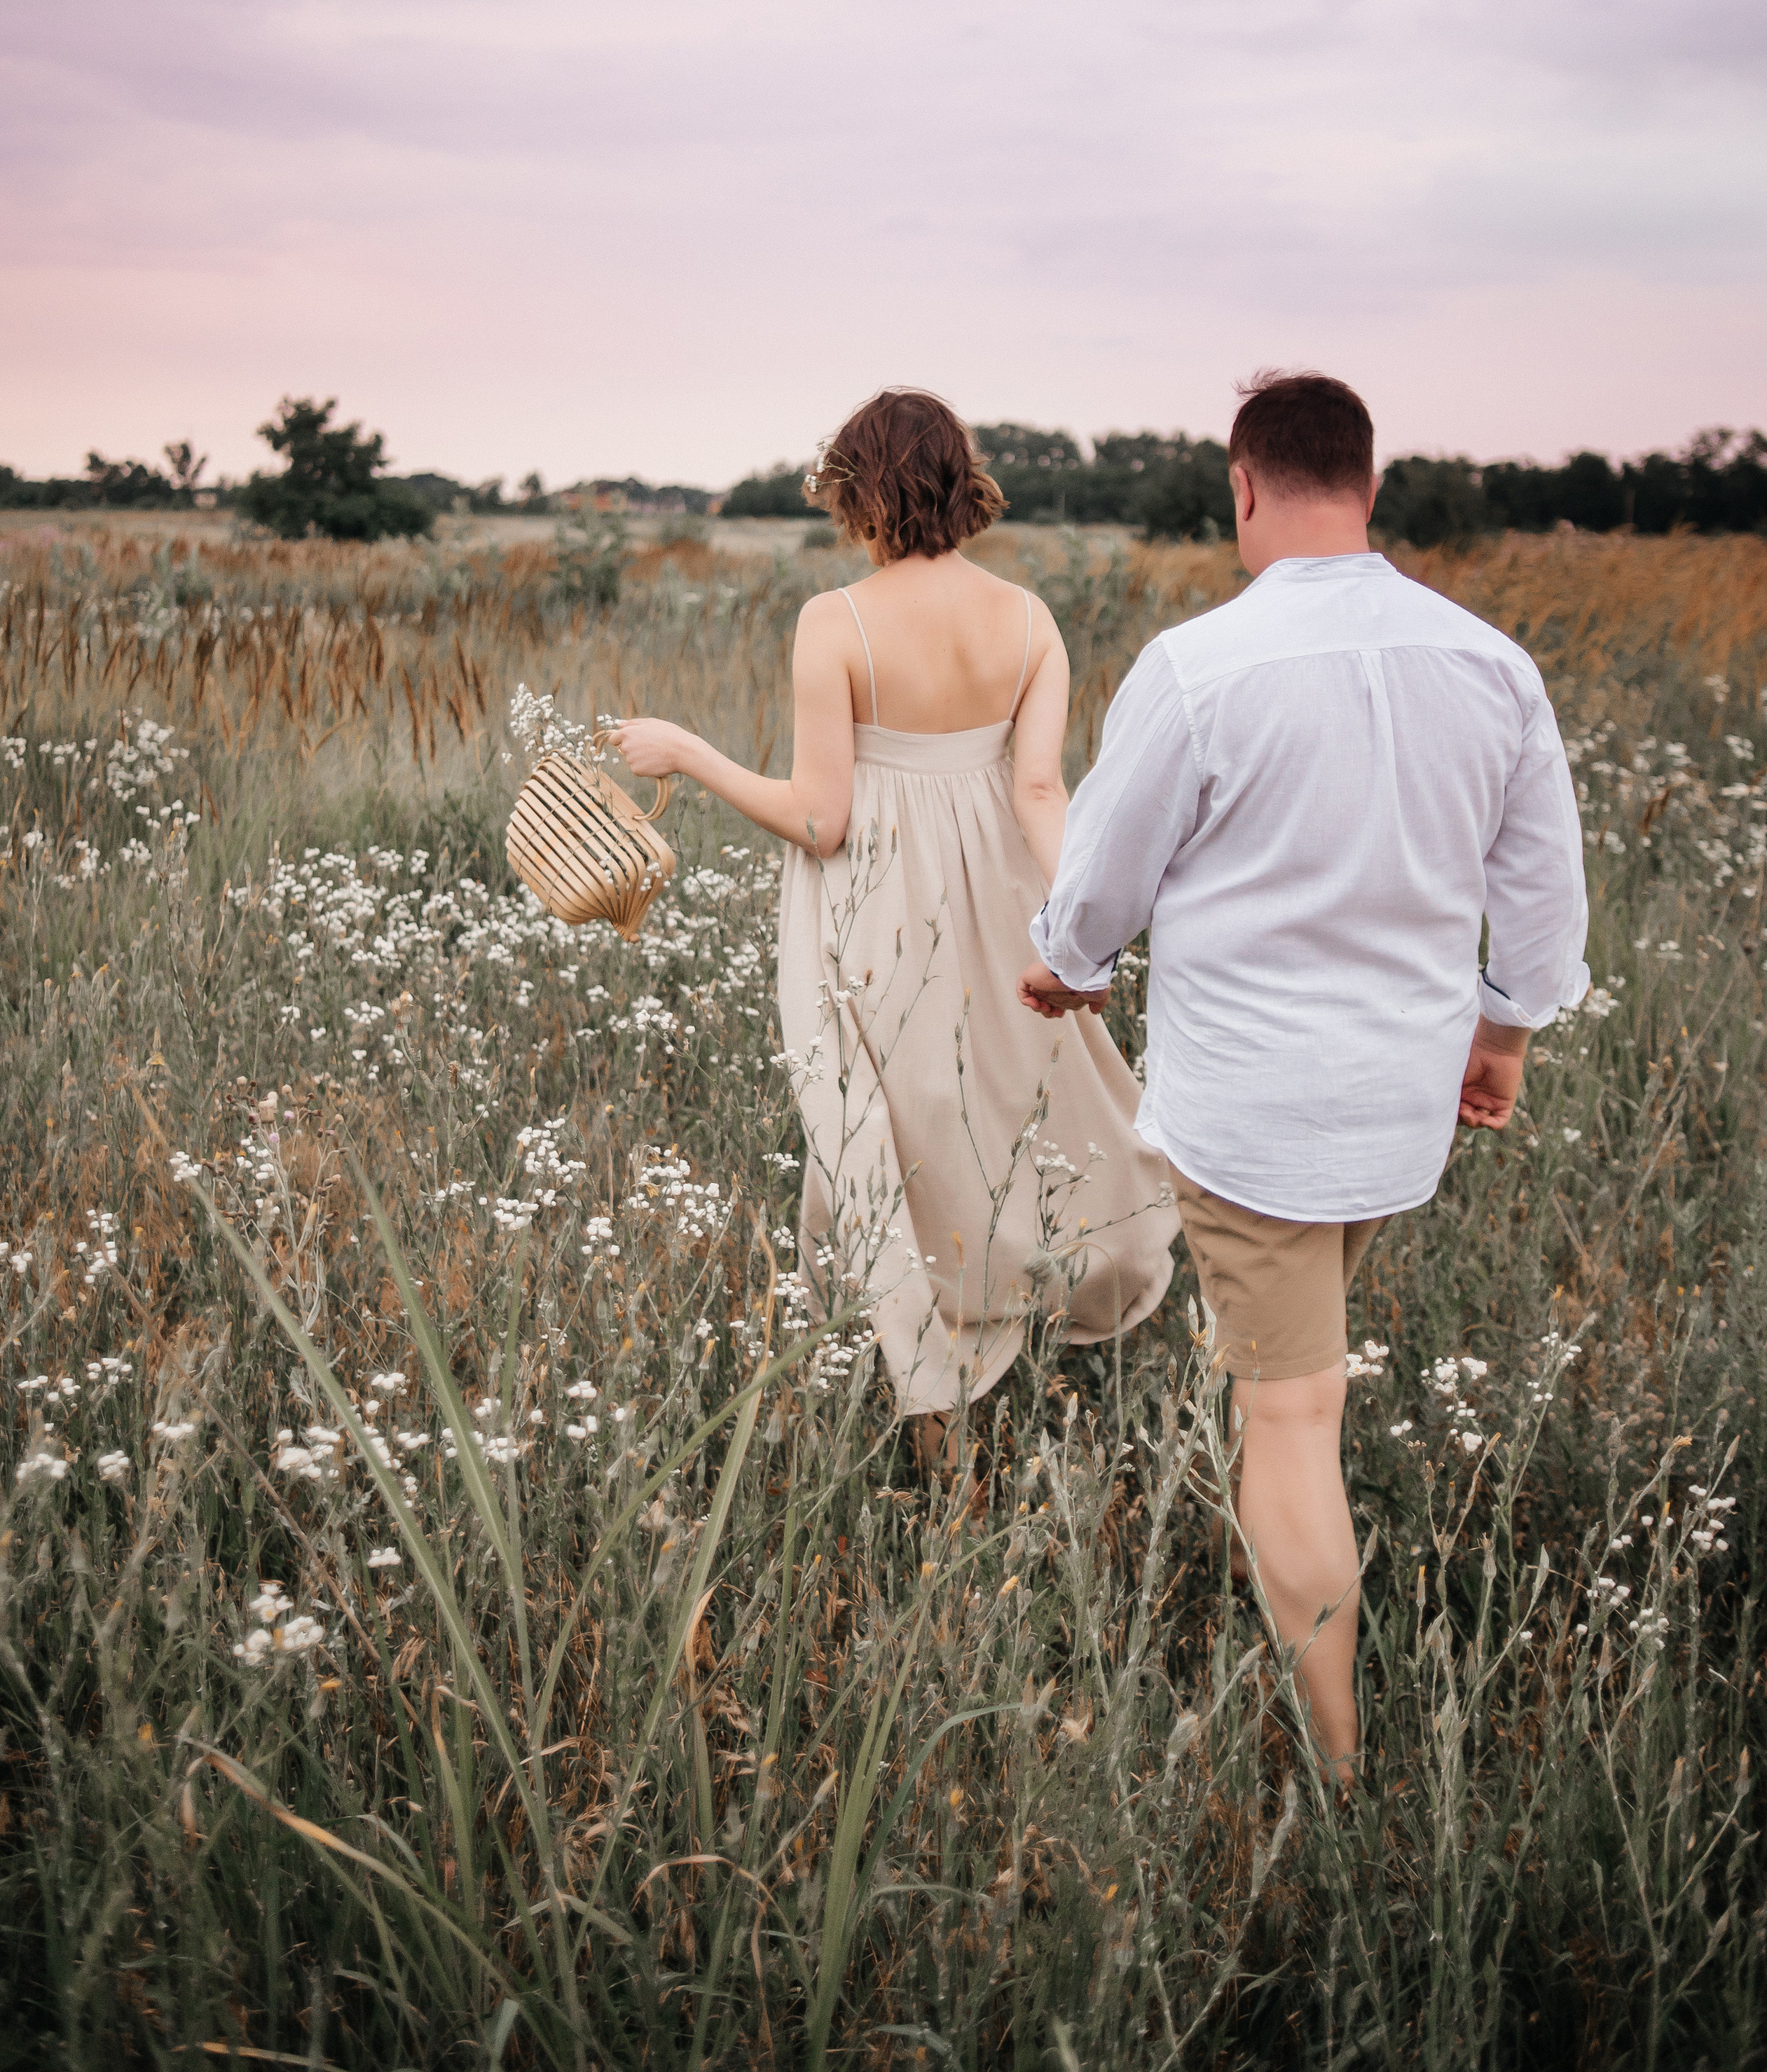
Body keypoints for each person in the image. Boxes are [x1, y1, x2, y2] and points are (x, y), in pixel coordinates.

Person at [1017, 370, 1588, 1782]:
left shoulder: (1195, 666)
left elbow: (1102, 870)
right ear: (1371, 485)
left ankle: (1337, 1772)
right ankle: (1299, 1599)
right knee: (1295, 1372)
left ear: (1242, 484)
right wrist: (1502, 1034)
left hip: (1254, 1110)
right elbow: (1539, 891)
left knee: (1288, 1410)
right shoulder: (1488, 662)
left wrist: (1064, 960)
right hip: (1395, 1108)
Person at [608, 387, 1180, 1463]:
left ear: (860, 493)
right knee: (1008, 1120)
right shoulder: (1029, 620)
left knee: (892, 1147)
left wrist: (687, 751)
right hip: (1009, 904)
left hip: (879, 917)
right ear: (960, 485)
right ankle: (1012, 1362)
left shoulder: (838, 621)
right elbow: (1043, 792)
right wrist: (1087, 932)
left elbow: (820, 821)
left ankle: (942, 1439)